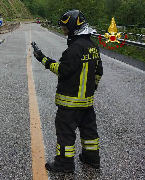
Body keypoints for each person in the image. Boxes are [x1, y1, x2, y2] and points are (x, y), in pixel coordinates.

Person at [33, 10, 103, 173]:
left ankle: (64, 165)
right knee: (89, 132)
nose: (64, 32)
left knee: (65, 134)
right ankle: (92, 159)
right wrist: (91, 89)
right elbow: (99, 72)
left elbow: (63, 70)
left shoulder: (74, 49)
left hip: (69, 103)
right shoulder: (93, 46)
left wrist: (42, 58)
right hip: (87, 102)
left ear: (73, 27)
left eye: (65, 28)